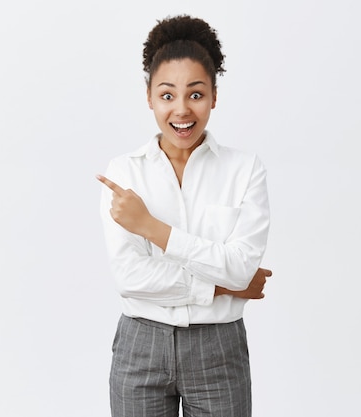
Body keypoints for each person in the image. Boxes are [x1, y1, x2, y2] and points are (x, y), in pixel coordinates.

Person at [96, 15, 272, 417]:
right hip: (140, 345)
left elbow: (242, 268)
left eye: (195, 94)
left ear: (213, 96)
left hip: (218, 349)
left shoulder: (245, 170)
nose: (181, 110)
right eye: (167, 94)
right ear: (149, 97)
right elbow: (130, 277)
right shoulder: (125, 172)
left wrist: (151, 228)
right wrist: (223, 288)